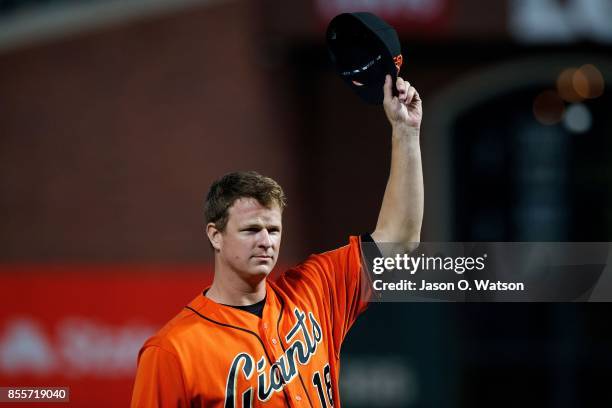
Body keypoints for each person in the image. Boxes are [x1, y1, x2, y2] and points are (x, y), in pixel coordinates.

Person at [131, 74, 423, 407]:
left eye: (273, 230)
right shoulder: (173, 350)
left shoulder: (315, 290)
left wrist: (406, 133)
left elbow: (400, 240)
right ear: (215, 235)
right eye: (251, 230)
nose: (266, 241)